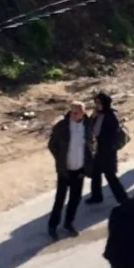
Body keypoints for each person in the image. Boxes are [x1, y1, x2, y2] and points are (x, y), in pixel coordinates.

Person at [47, 101, 93, 239]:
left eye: (76, 112)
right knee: (60, 199)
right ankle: (53, 226)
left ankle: (68, 223)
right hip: (65, 170)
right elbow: (52, 145)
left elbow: (91, 142)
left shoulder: (87, 125)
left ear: (83, 112)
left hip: (79, 169)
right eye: (72, 112)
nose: (73, 115)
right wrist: (60, 159)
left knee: (75, 198)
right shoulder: (62, 126)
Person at [87, 93, 130, 206]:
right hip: (100, 148)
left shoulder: (111, 115)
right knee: (95, 173)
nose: (97, 105)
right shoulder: (99, 114)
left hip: (108, 151)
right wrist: (93, 116)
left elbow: (113, 132)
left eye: (99, 103)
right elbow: (90, 127)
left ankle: (123, 200)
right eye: (96, 103)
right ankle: (96, 196)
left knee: (110, 176)